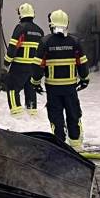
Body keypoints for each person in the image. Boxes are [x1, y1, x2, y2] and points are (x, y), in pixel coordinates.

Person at [33, 9, 90, 149]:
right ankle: (76, 145)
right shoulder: (74, 42)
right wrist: (84, 79)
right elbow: (82, 63)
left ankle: (60, 146)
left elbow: (37, 66)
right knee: (73, 114)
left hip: (53, 89)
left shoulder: (45, 42)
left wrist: (35, 82)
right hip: (70, 88)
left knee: (56, 116)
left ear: (51, 24)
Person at [4, 2, 45, 116]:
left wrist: (7, 61)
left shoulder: (20, 28)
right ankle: (32, 113)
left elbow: (13, 47)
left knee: (12, 88)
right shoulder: (40, 31)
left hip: (19, 66)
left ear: (20, 15)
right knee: (30, 89)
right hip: (33, 67)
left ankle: (16, 114)